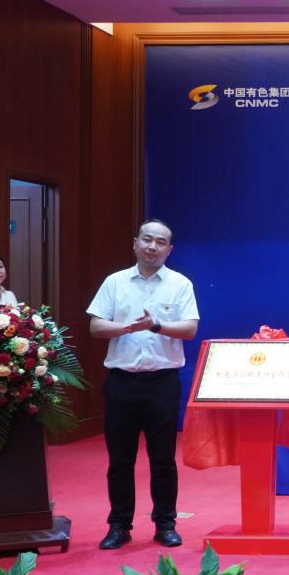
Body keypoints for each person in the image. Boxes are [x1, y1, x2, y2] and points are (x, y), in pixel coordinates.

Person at [87, 219, 199, 550]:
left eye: (160, 242)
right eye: (147, 240)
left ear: (169, 249)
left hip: (162, 383)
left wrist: (155, 326)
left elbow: (190, 329)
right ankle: (119, 525)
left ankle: (165, 524)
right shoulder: (115, 282)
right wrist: (125, 328)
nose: (152, 247)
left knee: (163, 459)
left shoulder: (180, 284)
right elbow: (96, 327)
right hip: (121, 382)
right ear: (135, 243)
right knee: (120, 459)